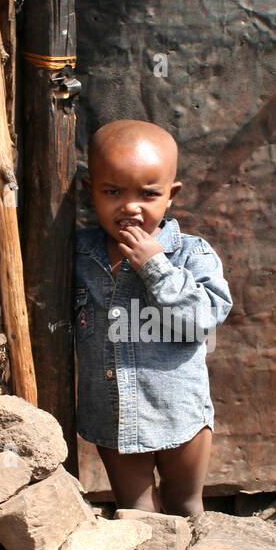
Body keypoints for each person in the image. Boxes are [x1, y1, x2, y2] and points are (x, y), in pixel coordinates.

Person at [73, 119, 233, 516]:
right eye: (112, 192)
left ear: (171, 195)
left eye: (148, 194)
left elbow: (205, 320)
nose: (130, 206)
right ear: (88, 190)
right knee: (136, 511)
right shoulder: (78, 255)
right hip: (113, 414)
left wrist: (156, 267)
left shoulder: (190, 254)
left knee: (184, 504)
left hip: (179, 412)